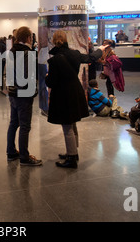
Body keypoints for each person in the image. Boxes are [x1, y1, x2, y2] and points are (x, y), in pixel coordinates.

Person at [45, 30, 106, 168]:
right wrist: (101, 49)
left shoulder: (54, 60)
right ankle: (73, 152)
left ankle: (71, 158)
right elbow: (90, 58)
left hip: (62, 94)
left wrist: (46, 77)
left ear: (54, 41)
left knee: (67, 126)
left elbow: (50, 82)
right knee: (72, 123)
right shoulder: (75, 54)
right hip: (75, 91)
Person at [6, 26, 42, 166]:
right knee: (25, 126)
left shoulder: (10, 52)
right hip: (24, 95)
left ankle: (11, 152)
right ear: (28, 38)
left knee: (14, 123)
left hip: (13, 92)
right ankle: (24, 157)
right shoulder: (28, 53)